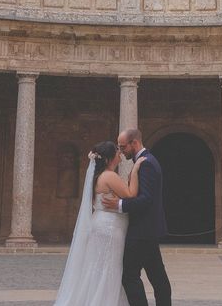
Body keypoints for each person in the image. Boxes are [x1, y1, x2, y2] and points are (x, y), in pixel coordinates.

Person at [54, 140, 145, 306]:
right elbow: (131, 195)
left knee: (98, 266)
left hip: (103, 223)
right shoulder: (109, 175)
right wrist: (135, 171)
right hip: (110, 227)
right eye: (117, 152)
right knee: (108, 267)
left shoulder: (99, 176)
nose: (120, 154)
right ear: (110, 157)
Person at [102, 129, 172, 306]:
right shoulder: (144, 161)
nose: (121, 150)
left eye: (123, 146)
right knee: (158, 276)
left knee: (130, 276)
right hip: (147, 229)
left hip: (141, 230)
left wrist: (119, 205)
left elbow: (146, 199)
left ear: (134, 143)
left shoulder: (146, 163)